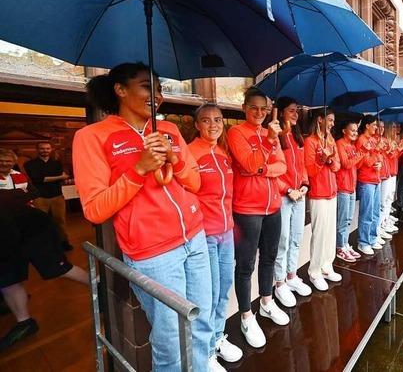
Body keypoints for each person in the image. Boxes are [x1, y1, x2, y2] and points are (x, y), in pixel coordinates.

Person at [73, 62, 214, 371]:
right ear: (120, 90)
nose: (157, 95)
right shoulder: (92, 137)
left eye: (159, 88)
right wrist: (138, 170)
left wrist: (175, 158)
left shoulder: (169, 130)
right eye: (146, 86)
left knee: (203, 323)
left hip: (195, 238)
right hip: (154, 254)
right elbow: (95, 209)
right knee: (169, 342)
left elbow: (195, 182)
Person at [0, 148, 88, 352]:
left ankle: (98, 287)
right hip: (8, 234)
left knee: (59, 268)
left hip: (35, 232)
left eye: (7, 160)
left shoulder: (19, 177)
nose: (4, 163)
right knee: (8, 280)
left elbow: (31, 196)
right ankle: (25, 322)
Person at [227, 88, 289, 349]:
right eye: (254, 108)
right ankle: (245, 315)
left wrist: (263, 167)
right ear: (244, 108)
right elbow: (249, 164)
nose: (260, 113)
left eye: (264, 109)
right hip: (247, 209)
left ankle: (265, 301)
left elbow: (282, 166)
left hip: (273, 205)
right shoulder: (235, 133)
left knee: (270, 257)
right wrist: (266, 151)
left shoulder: (270, 134)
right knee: (245, 265)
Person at [188, 104, 242, 370]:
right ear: (196, 124)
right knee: (206, 295)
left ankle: (218, 337)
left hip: (227, 231)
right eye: (206, 120)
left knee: (223, 289)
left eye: (218, 120)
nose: (213, 125)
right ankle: (206, 352)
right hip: (204, 235)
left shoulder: (223, 153)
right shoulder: (190, 153)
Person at [273, 97, 312, 307]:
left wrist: (304, 185)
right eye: (291, 111)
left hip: (299, 194)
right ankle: (279, 284)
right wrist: (288, 189)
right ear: (280, 113)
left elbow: (303, 166)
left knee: (296, 237)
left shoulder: (298, 138)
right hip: (284, 196)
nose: (296, 114)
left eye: (297, 110)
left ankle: (291, 275)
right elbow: (274, 172)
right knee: (283, 240)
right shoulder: (276, 138)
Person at [304, 109, 342, 291]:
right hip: (318, 193)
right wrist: (322, 158)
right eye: (330, 120)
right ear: (320, 120)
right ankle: (314, 271)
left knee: (329, 232)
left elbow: (337, 165)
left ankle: (327, 265)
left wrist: (329, 160)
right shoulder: (310, 142)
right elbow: (310, 171)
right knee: (319, 234)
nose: (333, 123)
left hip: (332, 191)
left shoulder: (331, 140)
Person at [24, 142, 72, 251]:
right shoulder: (30, 164)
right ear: (37, 149)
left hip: (57, 196)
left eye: (47, 148)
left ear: (51, 149)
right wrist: (60, 177)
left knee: (60, 221)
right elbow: (38, 179)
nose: (45, 150)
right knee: (40, 222)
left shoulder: (57, 163)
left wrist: (58, 177)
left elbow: (62, 177)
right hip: (40, 197)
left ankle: (64, 242)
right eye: (42, 149)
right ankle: (42, 245)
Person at [335, 120, 365, 263]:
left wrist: (361, 153)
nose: (355, 133)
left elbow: (357, 165)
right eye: (352, 130)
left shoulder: (352, 146)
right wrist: (361, 153)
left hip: (351, 187)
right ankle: (340, 247)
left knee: (348, 219)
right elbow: (346, 164)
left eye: (356, 131)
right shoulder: (340, 144)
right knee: (343, 220)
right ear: (344, 131)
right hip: (343, 188)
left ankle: (345, 244)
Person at [355, 115, 383, 255]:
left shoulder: (373, 140)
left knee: (375, 211)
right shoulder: (361, 140)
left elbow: (379, 158)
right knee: (367, 212)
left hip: (376, 178)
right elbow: (366, 162)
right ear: (367, 126)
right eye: (374, 125)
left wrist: (378, 158)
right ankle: (363, 241)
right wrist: (375, 155)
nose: (376, 128)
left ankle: (372, 238)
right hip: (366, 180)